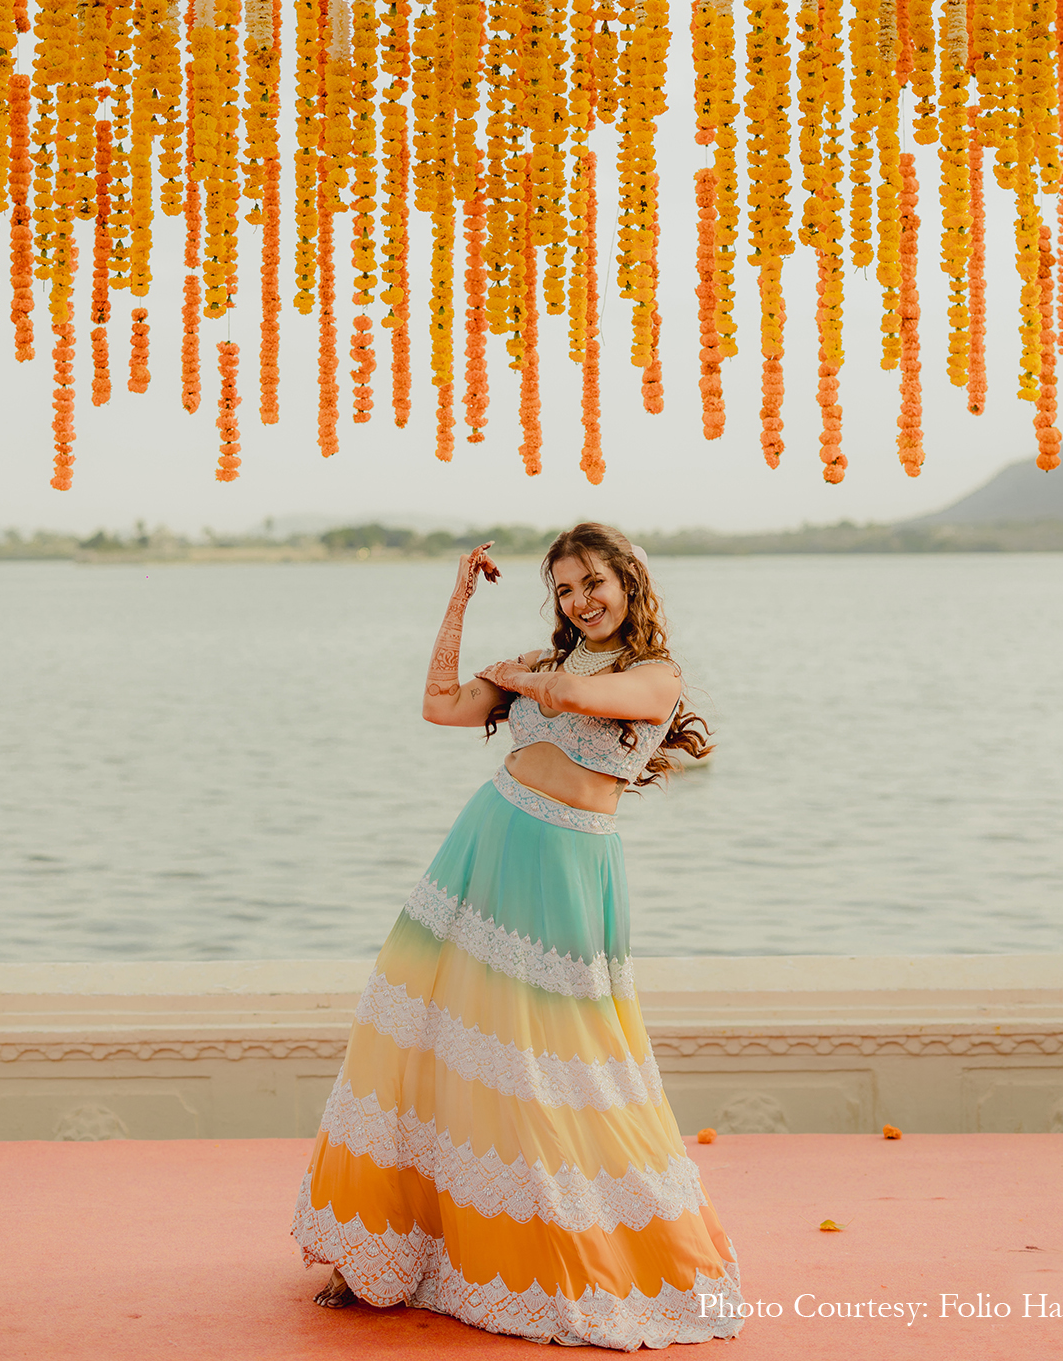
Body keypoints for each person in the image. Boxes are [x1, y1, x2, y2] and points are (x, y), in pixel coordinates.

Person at [291, 520, 743, 1347]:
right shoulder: (542, 665)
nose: (580, 601)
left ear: (629, 582)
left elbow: (575, 698)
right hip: (482, 849)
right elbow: (437, 707)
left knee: (558, 1069)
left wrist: (521, 677)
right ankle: (385, 1249)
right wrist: (458, 605)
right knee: (423, 1041)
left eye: (593, 583)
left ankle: (565, 1253)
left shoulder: (655, 675)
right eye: (565, 590)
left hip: (567, 873)